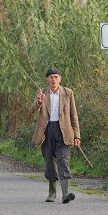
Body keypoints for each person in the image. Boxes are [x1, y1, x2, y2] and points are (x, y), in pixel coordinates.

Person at [29, 68, 81, 203]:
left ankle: (66, 193)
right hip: (46, 131)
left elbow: (73, 115)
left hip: (64, 131)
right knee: (50, 162)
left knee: (63, 160)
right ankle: (52, 192)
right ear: (47, 79)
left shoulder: (68, 93)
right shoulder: (42, 93)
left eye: (56, 77)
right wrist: (39, 102)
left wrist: (77, 135)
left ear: (60, 79)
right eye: (51, 77)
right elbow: (31, 110)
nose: (53, 79)